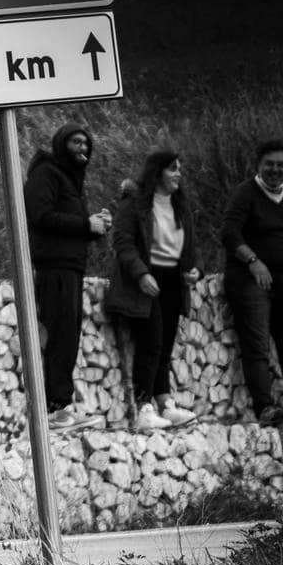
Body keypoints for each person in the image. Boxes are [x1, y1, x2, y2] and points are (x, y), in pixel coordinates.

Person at [104, 150, 201, 432]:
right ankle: (144, 407)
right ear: (157, 172)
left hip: (174, 280)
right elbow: (123, 242)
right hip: (147, 280)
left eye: (179, 169)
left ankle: (165, 404)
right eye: (172, 169)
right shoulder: (136, 203)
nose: (178, 174)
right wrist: (141, 273)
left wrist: (196, 269)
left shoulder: (180, 206)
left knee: (165, 343)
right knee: (151, 342)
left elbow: (192, 247)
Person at [221, 139, 283, 428]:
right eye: (269, 165)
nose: (275, 170)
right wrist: (253, 261)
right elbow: (229, 233)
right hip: (251, 280)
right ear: (258, 166)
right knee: (257, 345)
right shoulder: (245, 193)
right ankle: (265, 409)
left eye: (281, 165)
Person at [25, 123, 111, 430]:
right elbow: (40, 216)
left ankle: (60, 407)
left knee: (68, 339)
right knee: (59, 337)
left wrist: (95, 226)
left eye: (86, 144)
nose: (83, 149)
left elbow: (69, 224)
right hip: (54, 269)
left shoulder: (70, 180)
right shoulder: (46, 174)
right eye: (76, 142)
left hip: (71, 268)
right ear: (62, 144)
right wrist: (85, 225)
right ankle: (52, 409)